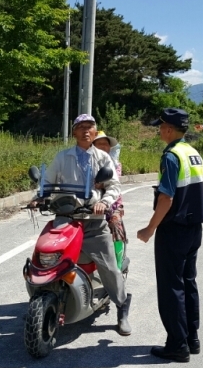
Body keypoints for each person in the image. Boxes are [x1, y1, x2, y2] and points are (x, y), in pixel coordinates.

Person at [36, 114, 132, 336]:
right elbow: (48, 182)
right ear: (74, 132)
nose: (85, 131)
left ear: (95, 132)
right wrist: (39, 197)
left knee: (109, 266)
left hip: (93, 223)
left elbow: (114, 186)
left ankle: (121, 305)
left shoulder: (102, 157)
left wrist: (104, 202)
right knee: (47, 256)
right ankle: (45, 299)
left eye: (90, 127)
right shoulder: (62, 157)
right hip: (66, 218)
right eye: (81, 127)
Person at [136, 108, 203, 362]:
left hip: (174, 229)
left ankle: (177, 345)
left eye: (161, 126)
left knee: (171, 286)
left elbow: (167, 198)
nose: (159, 130)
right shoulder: (192, 152)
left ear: (168, 129)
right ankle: (192, 338)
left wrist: (150, 228)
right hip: (194, 227)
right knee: (188, 281)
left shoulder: (170, 155)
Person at [92, 131, 127, 246]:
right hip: (91, 204)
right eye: (99, 143)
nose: (103, 146)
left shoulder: (115, 163)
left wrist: (102, 185)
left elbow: (115, 180)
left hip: (113, 204)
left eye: (105, 144)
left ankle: (117, 258)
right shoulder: (89, 163)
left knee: (115, 223)